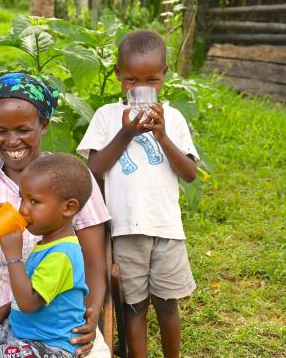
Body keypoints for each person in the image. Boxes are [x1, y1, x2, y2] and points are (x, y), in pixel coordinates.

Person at [0, 72, 111, 357]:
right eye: (0, 131)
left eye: (23, 129)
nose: (12, 141)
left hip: (60, 324)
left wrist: (92, 316)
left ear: (44, 126)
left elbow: (95, 265)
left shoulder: (70, 178)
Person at [77, 30, 199, 358]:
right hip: (126, 230)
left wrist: (162, 137)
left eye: (151, 80)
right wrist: (126, 131)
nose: (140, 88)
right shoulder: (105, 116)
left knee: (167, 305)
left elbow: (189, 173)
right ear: (117, 73)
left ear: (164, 75)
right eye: (131, 79)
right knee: (135, 308)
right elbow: (95, 167)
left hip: (167, 230)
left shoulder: (172, 118)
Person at [0, 153, 94, 358]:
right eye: (22, 198)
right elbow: (33, 290)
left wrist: (13, 256)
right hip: (24, 334)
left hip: (52, 347)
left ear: (69, 207)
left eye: (34, 202)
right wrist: (1, 312)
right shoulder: (46, 244)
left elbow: (29, 303)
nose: (23, 210)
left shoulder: (63, 254)